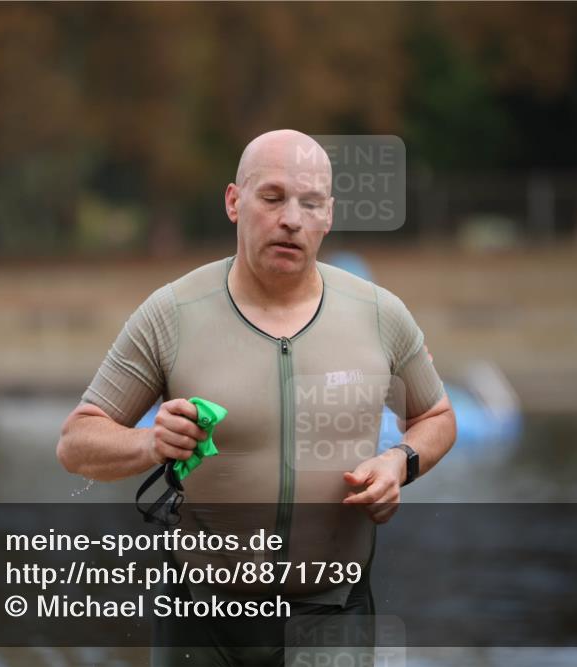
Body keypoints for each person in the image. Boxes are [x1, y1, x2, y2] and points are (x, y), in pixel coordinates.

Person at [56, 129, 456, 666]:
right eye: (272, 198)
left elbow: (436, 415)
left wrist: (399, 462)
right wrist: (153, 443)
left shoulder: (380, 314)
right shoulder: (171, 313)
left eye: (310, 203)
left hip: (332, 616)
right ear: (233, 201)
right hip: (201, 622)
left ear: (328, 216)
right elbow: (76, 443)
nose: (291, 218)